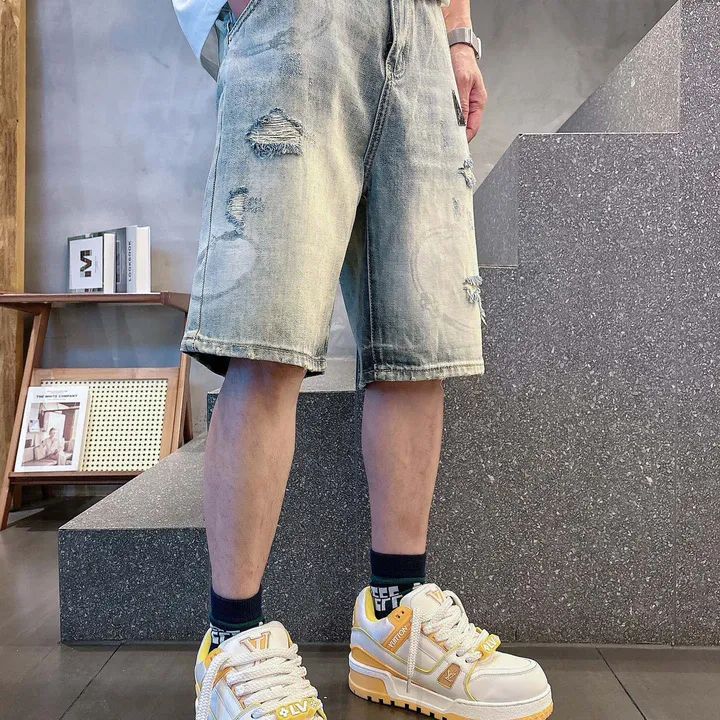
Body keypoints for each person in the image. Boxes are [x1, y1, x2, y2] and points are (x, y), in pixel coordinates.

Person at [172, 1, 554, 718]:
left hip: (421, 30)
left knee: (420, 344)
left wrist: (458, 36)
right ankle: (232, 642)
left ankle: (395, 623)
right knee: (268, 337)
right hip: (297, 19)